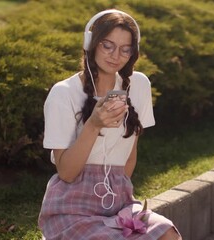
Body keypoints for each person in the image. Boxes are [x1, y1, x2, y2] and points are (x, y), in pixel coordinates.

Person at [38, 9, 182, 240]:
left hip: (119, 202)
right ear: (91, 43)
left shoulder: (139, 85)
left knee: (167, 234)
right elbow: (66, 173)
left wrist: (118, 192)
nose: (116, 55)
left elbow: (130, 153)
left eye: (125, 49)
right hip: (72, 207)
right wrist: (93, 125)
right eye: (108, 45)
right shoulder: (63, 93)